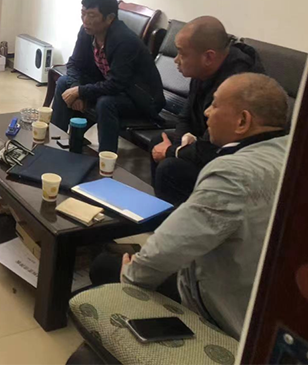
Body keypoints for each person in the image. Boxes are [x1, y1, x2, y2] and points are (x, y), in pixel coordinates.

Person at [89, 73, 290, 340]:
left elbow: (166, 250)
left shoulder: (233, 173)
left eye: (215, 105)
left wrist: (130, 277)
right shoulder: (294, 155)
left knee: (104, 265)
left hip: (228, 314)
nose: (207, 112)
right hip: (267, 303)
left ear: (242, 121)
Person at [150, 16, 263, 205]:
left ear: (208, 57)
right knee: (159, 143)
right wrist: (178, 146)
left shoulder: (237, 86)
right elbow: (185, 116)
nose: (176, 60)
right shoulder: (202, 71)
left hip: (232, 163)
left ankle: (181, 218)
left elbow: (215, 146)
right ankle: (161, 210)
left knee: (170, 167)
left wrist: (173, 152)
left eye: (181, 53)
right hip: (205, 143)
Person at [51, 0, 165, 153]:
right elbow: (74, 64)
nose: (85, 20)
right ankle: (55, 142)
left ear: (110, 18)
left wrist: (81, 91)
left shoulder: (124, 41)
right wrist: (76, 88)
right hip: (114, 88)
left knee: (106, 103)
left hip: (140, 98)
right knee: (64, 83)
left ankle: (105, 159)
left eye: (92, 15)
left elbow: (117, 84)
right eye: (83, 13)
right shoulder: (87, 32)